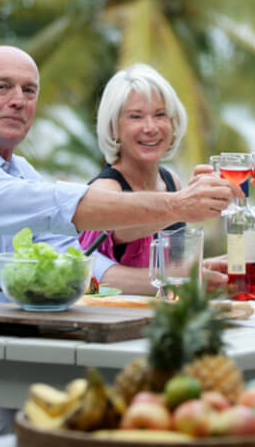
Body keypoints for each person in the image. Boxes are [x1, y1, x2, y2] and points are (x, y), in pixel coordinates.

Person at [0, 45, 239, 444]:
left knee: (98, 408)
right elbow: (57, 206)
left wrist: (188, 273)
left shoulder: (19, 171)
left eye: (29, 90)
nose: (17, 101)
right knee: (37, 428)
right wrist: (181, 205)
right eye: (2, 87)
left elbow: (78, 260)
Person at [79, 63, 226, 294]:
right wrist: (185, 206)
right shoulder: (105, 189)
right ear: (113, 128)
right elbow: (91, 271)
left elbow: (171, 269)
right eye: (135, 117)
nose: (150, 127)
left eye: (160, 115)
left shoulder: (171, 182)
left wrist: (207, 268)